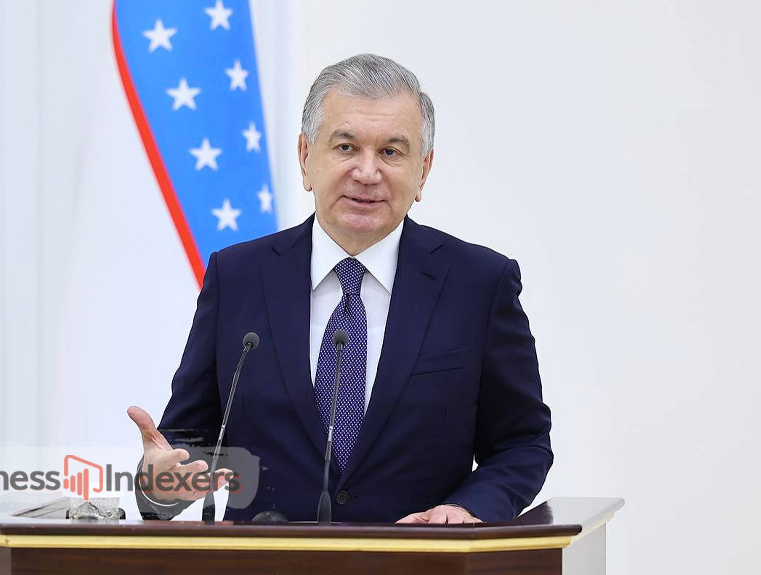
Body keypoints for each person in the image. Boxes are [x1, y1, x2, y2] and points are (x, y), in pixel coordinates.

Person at [129, 53, 553, 524]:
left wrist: (467, 509)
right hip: (264, 558)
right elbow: (190, 439)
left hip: (421, 556)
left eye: (391, 152)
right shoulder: (238, 277)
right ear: (305, 157)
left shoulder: (479, 284)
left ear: (423, 170)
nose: (367, 173)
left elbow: (521, 444)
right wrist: (162, 481)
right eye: (346, 147)